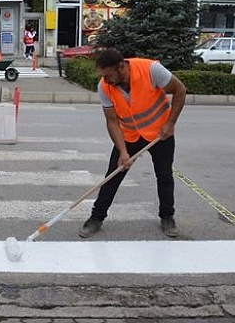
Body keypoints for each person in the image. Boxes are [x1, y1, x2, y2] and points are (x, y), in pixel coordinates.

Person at [79, 48, 186, 239]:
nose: (107, 80)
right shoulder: (104, 86)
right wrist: (122, 151)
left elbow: (180, 90)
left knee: (164, 176)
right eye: (103, 76)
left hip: (159, 133)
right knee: (113, 175)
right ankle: (96, 217)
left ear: (121, 67)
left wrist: (170, 123)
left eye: (109, 75)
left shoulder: (151, 70)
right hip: (129, 136)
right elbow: (112, 121)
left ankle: (167, 217)